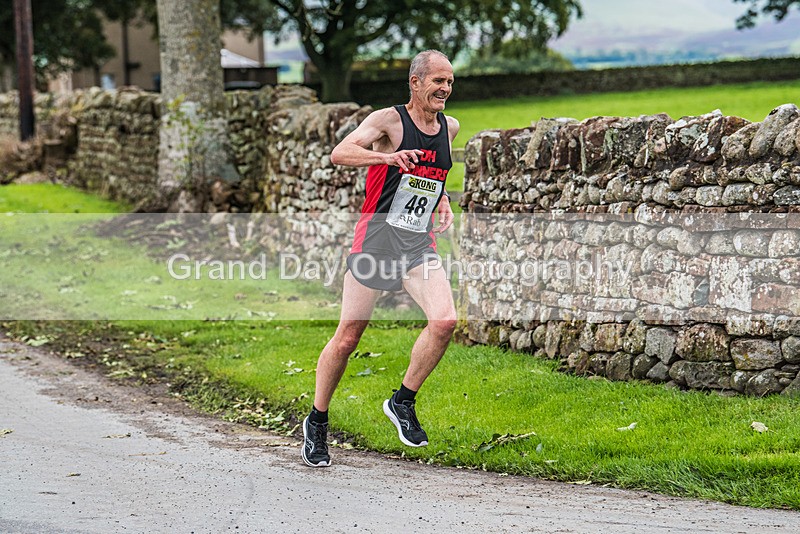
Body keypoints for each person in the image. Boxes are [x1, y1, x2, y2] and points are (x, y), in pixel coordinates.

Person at [301, 49, 459, 468]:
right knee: (349, 337)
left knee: (444, 321)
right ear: (415, 82)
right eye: (437, 81)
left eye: (449, 82)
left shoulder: (451, 127)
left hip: (416, 244)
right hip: (375, 241)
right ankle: (317, 420)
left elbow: (432, 175)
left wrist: (442, 198)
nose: (444, 89)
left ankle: (402, 401)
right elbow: (340, 152)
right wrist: (386, 157)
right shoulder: (389, 121)